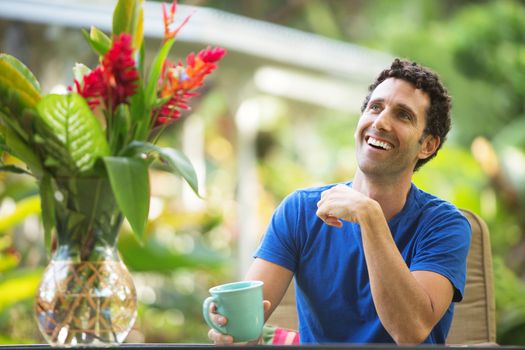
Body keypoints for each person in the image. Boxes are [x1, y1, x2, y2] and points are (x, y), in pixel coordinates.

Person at [207, 58, 471, 344]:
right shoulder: (299, 212)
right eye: (375, 107)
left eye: (403, 115)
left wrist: (369, 216)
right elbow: (250, 316)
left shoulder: (445, 225)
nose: (381, 122)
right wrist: (233, 333)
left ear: (428, 145)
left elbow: (410, 331)